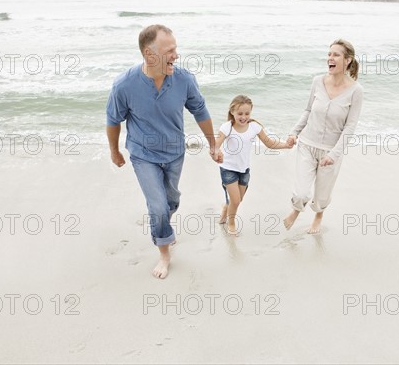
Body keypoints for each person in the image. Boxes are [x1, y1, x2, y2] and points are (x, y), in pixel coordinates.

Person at [106, 24, 222, 279]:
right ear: (150, 55)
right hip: (142, 154)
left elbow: (200, 111)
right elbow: (113, 121)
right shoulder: (124, 86)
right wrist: (115, 151)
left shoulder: (184, 79)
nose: (176, 56)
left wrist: (213, 143)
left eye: (176, 49)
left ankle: (162, 225)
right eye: (170, 50)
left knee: (171, 201)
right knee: (158, 206)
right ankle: (164, 252)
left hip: (174, 152)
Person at [283, 38, 364, 234]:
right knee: (301, 192)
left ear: (347, 60)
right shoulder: (317, 81)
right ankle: (296, 210)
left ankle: (318, 216)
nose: (330, 58)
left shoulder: (356, 91)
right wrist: (294, 132)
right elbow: (308, 110)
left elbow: (350, 128)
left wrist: (334, 155)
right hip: (307, 145)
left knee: (321, 195)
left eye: (336, 54)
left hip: (331, 151)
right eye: (329, 54)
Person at [215, 95, 291, 236]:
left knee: (237, 200)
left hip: (244, 170)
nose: (243, 117)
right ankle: (231, 224)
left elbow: (269, 143)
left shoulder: (255, 127)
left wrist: (285, 145)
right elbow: (216, 144)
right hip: (228, 168)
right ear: (232, 112)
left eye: (247, 113)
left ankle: (226, 207)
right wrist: (216, 152)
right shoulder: (227, 127)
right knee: (236, 201)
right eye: (240, 114)